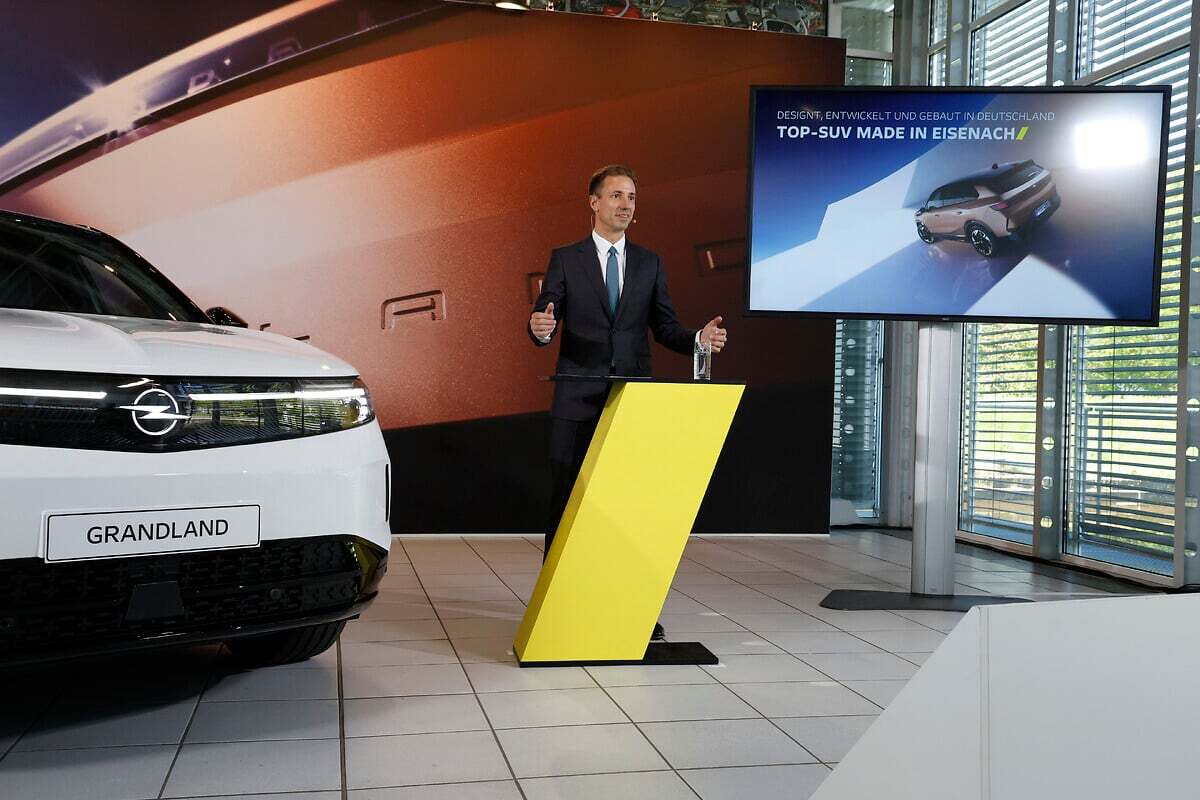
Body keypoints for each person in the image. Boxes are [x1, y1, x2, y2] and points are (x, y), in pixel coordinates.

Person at [528, 164, 728, 639]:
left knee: (624, 511)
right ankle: (559, 607)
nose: (625, 204)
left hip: (630, 404)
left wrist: (697, 340)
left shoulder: (650, 263)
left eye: (632, 197)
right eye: (616, 195)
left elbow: (665, 327)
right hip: (577, 400)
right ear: (594, 202)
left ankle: (628, 608)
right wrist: (541, 328)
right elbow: (545, 314)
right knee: (567, 507)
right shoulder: (566, 259)